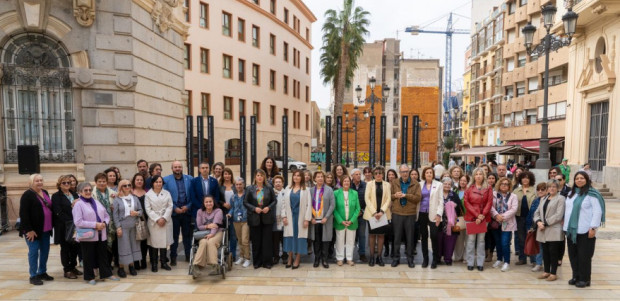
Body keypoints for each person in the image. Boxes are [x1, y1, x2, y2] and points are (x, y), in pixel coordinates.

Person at [72, 182, 120, 285]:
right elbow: (78, 222)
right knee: (88, 256)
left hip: (101, 233)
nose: (88, 192)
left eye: (89, 190)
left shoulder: (96, 202)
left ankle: (106, 273)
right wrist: (95, 225)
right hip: (88, 235)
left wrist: (104, 223)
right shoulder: (78, 204)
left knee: (103, 255)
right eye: (85, 190)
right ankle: (90, 277)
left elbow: (106, 215)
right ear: (80, 192)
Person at [564, 171, 605, 288]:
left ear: (587, 180)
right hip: (571, 230)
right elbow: (567, 211)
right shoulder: (571, 194)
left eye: (582, 178)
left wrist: (593, 227)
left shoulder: (592, 194)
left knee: (584, 256)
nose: (579, 180)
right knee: (573, 255)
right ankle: (576, 276)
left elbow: (597, 212)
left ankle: (585, 279)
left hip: (585, 230)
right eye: (577, 178)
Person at [20, 174, 54, 285]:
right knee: (34, 252)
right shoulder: (27, 195)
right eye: (36, 181)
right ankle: (33, 275)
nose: (39, 182)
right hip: (33, 231)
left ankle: (42, 272)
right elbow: (23, 214)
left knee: (45, 251)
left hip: (46, 228)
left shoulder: (44, 192)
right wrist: (29, 230)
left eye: (41, 180)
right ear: (31, 183)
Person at [244, 169, 277, 269]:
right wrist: (254, 208)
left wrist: (269, 207)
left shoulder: (269, 188)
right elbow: (245, 202)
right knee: (256, 241)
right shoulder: (250, 189)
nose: (260, 177)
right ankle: (257, 262)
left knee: (267, 241)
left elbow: (274, 201)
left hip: (267, 218)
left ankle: (267, 262)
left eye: (262, 175)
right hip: (254, 218)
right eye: (258, 175)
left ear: (264, 177)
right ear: (255, 177)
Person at [389, 164, 421, 268]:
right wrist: (395, 196)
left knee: (410, 238)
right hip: (397, 213)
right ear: (399, 172)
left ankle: (410, 259)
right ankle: (396, 258)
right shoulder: (394, 182)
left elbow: (418, 198)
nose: (405, 173)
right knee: (397, 238)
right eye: (403, 172)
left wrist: (406, 195)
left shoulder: (415, 183)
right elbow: (389, 196)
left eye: (407, 171)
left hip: (410, 214)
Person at [534, 179, 566, 281]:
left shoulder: (561, 199)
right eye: (549, 187)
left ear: (557, 188)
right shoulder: (544, 198)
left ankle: (553, 273)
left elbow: (559, 215)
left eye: (554, 187)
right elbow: (537, 212)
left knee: (553, 252)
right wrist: (538, 222)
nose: (551, 189)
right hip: (542, 229)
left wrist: (545, 223)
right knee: (545, 252)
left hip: (554, 229)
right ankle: (546, 271)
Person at [163, 161, 194, 266]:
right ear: (172, 168)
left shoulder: (190, 179)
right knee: (174, 237)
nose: (177, 169)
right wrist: (174, 208)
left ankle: (188, 256)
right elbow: (165, 197)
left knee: (187, 236)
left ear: (182, 168)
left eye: (179, 167)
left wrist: (188, 206)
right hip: (174, 214)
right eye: (175, 167)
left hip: (187, 212)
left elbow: (193, 195)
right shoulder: (166, 180)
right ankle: (173, 257)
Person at [51, 175, 82, 279]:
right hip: (63, 226)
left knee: (75, 247)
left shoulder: (74, 194)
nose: (67, 184)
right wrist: (71, 216)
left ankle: (73, 266)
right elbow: (58, 212)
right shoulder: (56, 196)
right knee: (65, 248)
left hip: (75, 226)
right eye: (64, 183)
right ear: (59, 185)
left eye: (68, 182)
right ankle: (67, 269)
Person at [464, 167, 493, 271]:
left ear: (483, 176)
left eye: (480, 174)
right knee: (471, 240)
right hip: (471, 217)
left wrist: (482, 215)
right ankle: (470, 262)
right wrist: (477, 215)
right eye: (476, 174)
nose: (478, 176)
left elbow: (489, 203)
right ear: (473, 176)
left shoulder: (488, 188)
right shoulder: (469, 187)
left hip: (484, 217)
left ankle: (480, 263)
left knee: (481, 241)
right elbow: (466, 202)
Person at [112, 179, 143, 277]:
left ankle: (131, 266)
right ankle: (121, 267)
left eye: (129, 185)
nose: (127, 187)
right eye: (125, 185)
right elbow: (115, 215)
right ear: (121, 187)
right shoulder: (117, 200)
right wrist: (118, 227)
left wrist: (137, 213)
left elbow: (141, 210)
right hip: (123, 226)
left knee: (134, 245)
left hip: (134, 225)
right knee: (123, 247)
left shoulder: (134, 198)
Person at [282, 170, 312, 269]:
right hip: (290, 218)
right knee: (290, 238)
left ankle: (298, 258)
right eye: (294, 175)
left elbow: (309, 205)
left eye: (298, 176)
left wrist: (307, 219)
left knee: (299, 238)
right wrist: (284, 216)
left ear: (302, 177)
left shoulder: (306, 189)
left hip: (300, 217)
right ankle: (290, 258)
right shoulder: (287, 188)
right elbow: (283, 203)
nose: (296, 177)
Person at [364, 166, 391, 267]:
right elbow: (367, 199)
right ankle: (371, 257)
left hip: (383, 214)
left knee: (381, 235)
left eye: (380, 173)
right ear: (373, 174)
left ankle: (379, 257)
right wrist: (374, 212)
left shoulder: (387, 185)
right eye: (376, 173)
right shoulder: (369, 184)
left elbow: (388, 199)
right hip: (372, 214)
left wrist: (382, 211)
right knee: (372, 235)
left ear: (383, 174)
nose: (378, 175)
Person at [145, 175, 173, 272]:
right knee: (154, 243)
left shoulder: (167, 193)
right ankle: (154, 263)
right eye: (156, 182)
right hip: (154, 222)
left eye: (160, 182)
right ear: (153, 183)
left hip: (165, 220)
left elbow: (170, 206)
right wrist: (157, 219)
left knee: (164, 243)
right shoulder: (148, 195)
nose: (158, 184)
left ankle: (164, 262)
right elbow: (148, 209)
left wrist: (164, 218)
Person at [490, 177, 518, 272]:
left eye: (506, 184)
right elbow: (490, 206)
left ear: (509, 186)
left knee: (505, 243)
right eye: (502, 183)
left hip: (508, 223)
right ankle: (499, 259)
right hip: (496, 222)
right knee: (498, 242)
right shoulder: (493, 194)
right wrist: (496, 215)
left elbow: (514, 209)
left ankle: (506, 262)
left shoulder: (513, 196)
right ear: (499, 184)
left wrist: (502, 216)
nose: (504, 185)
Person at [418, 166, 444, 269]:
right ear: (424, 174)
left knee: (434, 236)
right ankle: (425, 259)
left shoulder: (439, 185)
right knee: (423, 237)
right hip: (421, 213)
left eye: (430, 172)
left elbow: (441, 201)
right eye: (427, 172)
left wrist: (439, 214)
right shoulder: (419, 184)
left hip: (434, 214)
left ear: (433, 174)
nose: (429, 174)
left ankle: (435, 259)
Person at [192, 196, 224, 276]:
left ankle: (214, 266)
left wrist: (212, 234)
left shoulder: (218, 211)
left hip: (217, 232)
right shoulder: (200, 211)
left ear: (213, 202)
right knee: (203, 242)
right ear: (203, 203)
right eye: (206, 202)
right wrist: (207, 226)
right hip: (204, 233)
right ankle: (196, 266)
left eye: (210, 201)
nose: (208, 203)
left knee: (211, 242)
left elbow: (216, 225)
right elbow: (199, 226)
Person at [309, 171, 335, 268]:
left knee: (325, 240)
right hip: (314, 220)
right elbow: (308, 205)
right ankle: (317, 258)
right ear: (314, 179)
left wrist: (326, 217)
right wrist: (311, 217)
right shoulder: (311, 190)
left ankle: (324, 259)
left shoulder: (329, 190)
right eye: (318, 177)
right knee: (316, 240)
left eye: (321, 177)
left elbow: (332, 205)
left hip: (325, 220)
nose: (320, 178)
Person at [92, 172, 118, 269]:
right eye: (99, 181)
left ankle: (108, 265)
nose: (102, 183)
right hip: (98, 224)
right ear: (95, 182)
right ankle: (99, 266)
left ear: (107, 182)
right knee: (99, 246)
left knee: (109, 245)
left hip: (110, 223)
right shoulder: (91, 194)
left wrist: (113, 207)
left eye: (104, 181)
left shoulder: (113, 193)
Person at [334, 175, 360, 266]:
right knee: (339, 240)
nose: (346, 183)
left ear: (350, 182)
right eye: (344, 181)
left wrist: (352, 220)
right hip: (340, 222)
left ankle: (349, 258)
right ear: (341, 182)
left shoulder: (354, 193)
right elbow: (334, 209)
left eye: (348, 181)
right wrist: (341, 220)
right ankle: (340, 258)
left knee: (350, 241)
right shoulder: (336, 193)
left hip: (351, 222)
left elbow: (358, 208)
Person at [437, 177, 463, 266]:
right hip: (439, 221)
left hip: (451, 222)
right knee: (439, 240)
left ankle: (448, 259)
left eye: (449, 184)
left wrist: (452, 207)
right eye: (445, 184)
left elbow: (459, 207)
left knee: (450, 241)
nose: (447, 186)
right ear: (441, 185)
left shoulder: (454, 195)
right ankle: (438, 257)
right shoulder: (438, 193)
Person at [514, 171, 537, 265]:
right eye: (523, 177)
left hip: (531, 218)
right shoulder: (516, 191)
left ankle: (533, 260)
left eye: (527, 177)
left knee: (531, 238)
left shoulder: (535, 191)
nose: (525, 179)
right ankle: (522, 259)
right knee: (521, 238)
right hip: (519, 217)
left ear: (530, 179)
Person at [229, 176, 251, 268]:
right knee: (240, 240)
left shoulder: (248, 195)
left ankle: (247, 258)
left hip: (246, 220)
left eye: (240, 184)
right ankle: (241, 256)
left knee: (245, 240)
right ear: (235, 185)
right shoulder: (233, 197)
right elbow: (232, 208)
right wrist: (229, 214)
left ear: (244, 185)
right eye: (237, 184)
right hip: (236, 220)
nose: (238, 186)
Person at [527, 183, 548, 272]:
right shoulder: (536, 200)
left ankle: (547, 264)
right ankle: (538, 263)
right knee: (539, 246)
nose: (540, 191)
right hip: (536, 225)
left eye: (542, 189)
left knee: (546, 247)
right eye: (538, 189)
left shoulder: (549, 200)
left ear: (547, 190)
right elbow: (531, 214)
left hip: (547, 226)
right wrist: (530, 227)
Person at [219, 168, 237, 262]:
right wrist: (223, 204)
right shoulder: (220, 186)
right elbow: (217, 199)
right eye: (225, 174)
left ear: (231, 175)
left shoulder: (235, 186)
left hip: (234, 213)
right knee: (224, 234)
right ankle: (224, 253)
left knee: (233, 235)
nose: (227, 176)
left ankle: (233, 254)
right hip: (223, 213)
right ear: (223, 175)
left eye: (229, 174)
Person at [131, 173, 149, 270]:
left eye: (141, 180)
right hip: (133, 220)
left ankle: (143, 260)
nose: (139, 181)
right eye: (137, 179)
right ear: (134, 181)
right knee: (135, 242)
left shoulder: (147, 192)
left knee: (144, 241)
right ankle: (136, 261)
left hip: (145, 220)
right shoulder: (130, 192)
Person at [350, 168, 368, 263]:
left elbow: (367, 200)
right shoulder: (348, 185)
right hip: (351, 215)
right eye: (356, 174)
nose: (358, 176)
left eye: (359, 174)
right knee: (351, 236)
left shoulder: (365, 185)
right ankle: (349, 254)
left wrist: (361, 211)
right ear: (352, 176)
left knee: (362, 235)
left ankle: (362, 253)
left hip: (362, 214)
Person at [453, 175, 470, 263]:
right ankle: (458, 256)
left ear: (468, 182)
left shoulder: (470, 191)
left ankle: (467, 257)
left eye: (465, 181)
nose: (462, 182)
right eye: (461, 180)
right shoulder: (455, 191)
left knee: (468, 238)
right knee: (459, 238)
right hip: (458, 218)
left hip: (469, 217)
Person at [272, 175, 287, 265]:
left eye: (279, 182)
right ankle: (276, 256)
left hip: (284, 220)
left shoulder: (286, 193)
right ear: (273, 184)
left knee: (284, 239)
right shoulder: (271, 193)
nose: (278, 183)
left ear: (283, 183)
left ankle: (285, 256)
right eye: (276, 182)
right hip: (274, 220)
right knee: (275, 240)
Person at [485, 173, 498, 262]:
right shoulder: (484, 188)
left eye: (493, 178)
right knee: (486, 235)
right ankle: (485, 251)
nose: (491, 180)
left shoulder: (498, 190)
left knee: (493, 236)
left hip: (494, 215)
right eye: (489, 178)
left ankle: (491, 253)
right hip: (485, 215)